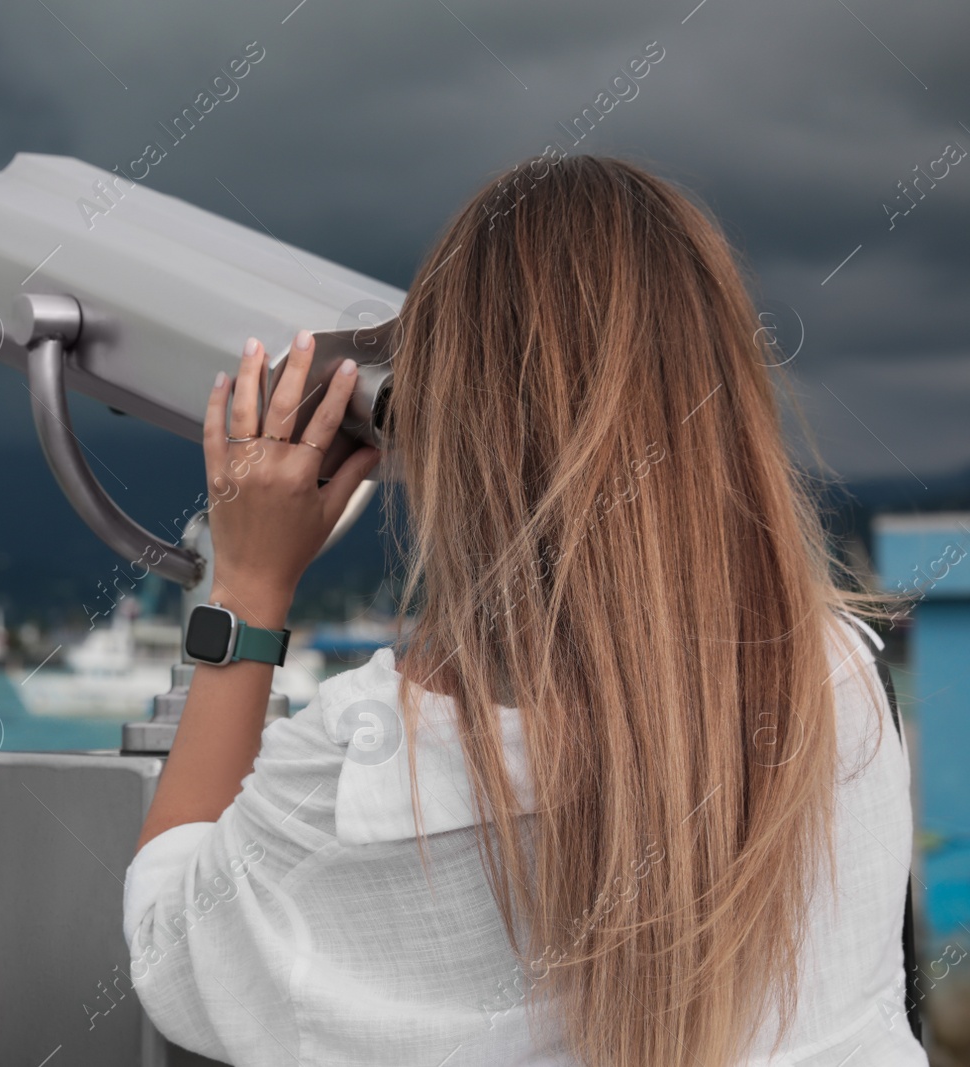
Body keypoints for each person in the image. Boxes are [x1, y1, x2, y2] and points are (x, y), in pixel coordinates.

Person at [123, 155, 923, 1067]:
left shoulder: (373, 775)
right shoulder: (843, 683)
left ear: (446, 428)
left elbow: (168, 943)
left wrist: (248, 586)